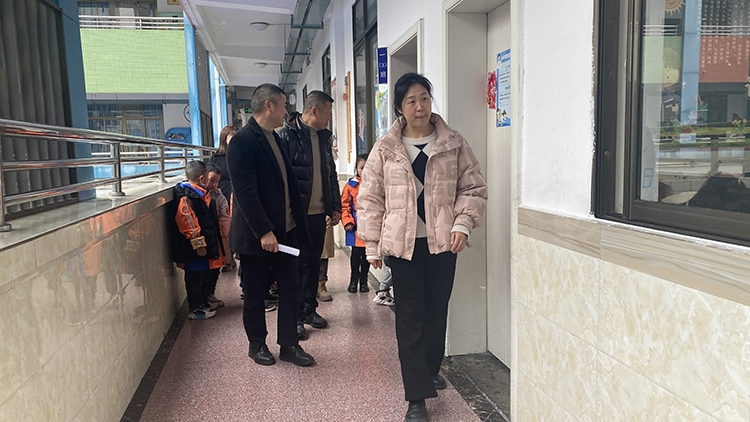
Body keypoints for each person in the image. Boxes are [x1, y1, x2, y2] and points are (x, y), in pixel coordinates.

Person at [357, 73, 487, 422]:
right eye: (411, 100)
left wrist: (463, 223)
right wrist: (372, 244)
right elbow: (370, 198)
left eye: (425, 98)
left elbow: (473, 187)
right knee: (410, 317)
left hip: (443, 244)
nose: (420, 106)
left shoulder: (453, 143)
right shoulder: (385, 148)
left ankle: (429, 369)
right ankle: (416, 397)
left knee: (436, 311)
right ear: (399, 108)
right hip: (403, 248)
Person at [226, 83, 314, 367]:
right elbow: (245, 192)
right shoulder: (242, 141)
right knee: (255, 293)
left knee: (291, 289)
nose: (286, 111)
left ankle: (289, 344)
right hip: (257, 236)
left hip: (286, 231)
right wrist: (264, 231)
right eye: (284, 105)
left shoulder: (276, 138)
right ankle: (257, 344)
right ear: (269, 106)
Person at [277, 90, 341, 341]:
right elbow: (281, 178)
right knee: (296, 267)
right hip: (296, 216)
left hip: (318, 214)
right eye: (328, 113)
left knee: (313, 263)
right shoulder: (286, 136)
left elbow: (330, 173)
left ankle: (309, 310)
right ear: (314, 111)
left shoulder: (324, 138)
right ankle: (295, 318)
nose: (329, 118)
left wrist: (334, 205)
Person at [167, 160, 226, 320]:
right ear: (202, 178)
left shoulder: (199, 194)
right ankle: (196, 309)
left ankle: (202, 303)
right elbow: (188, 222)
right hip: (194, 250)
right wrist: (198, 244)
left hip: (202, 247)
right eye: (207, 176)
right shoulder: (187, 197)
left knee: (202, 276)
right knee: (195, 279)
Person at [341, 154, 370, 294]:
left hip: (370, 226)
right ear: (356, 169)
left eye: (367, 167)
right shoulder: (351, 185)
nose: (364, 170)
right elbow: (345, 205)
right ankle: (354, 280)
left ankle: (364, 280)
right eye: (361, 168)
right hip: (355, 226)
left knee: (367, 255)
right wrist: (347, 221)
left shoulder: (375, 184)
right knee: (356, 254)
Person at [202, 163, 229, 309]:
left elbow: (225, 218)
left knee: (215, 268)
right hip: (203, 239)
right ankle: (202, 298)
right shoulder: (196, 195)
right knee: (203, 271)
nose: (214, 184)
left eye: (217, 181)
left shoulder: (219, 197)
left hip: (217, 239)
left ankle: (210, 294)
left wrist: (225, 236)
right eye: (211, 180)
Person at [211, 125, 238, 272]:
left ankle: (237, 256)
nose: (234, 138)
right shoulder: (216, 158)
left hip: (238, 197)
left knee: (237, 227)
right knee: (224, 228)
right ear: (224, 138)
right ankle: (228, 259)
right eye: (231, 135)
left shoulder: (242, 154)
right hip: (223, 197)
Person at [317, 216, 335, 302]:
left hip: (323, 212)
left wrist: (336, 209)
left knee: (325, 249)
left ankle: (321, 284)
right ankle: (304, 285)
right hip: (300, 213)